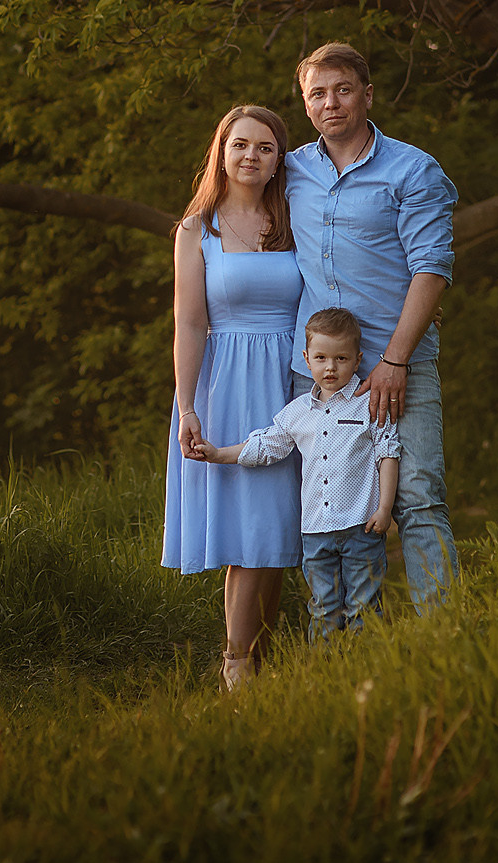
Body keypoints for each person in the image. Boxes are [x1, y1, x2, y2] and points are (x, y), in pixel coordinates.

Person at [286, 42, 460, 609]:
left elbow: (431, 268)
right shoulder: (291, 170)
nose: (330, 103)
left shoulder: (412, 168)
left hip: (396, 363)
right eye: (318, 94)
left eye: (342, 90)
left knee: (415, 496)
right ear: (306, 104)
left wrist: (395, 360)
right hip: (316, 372)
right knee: (325, 503)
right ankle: (342, 638)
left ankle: (444, 638)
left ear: (366, 94)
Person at [160, 104, 304, 690]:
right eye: (240, 144)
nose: (251, 156)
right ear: (220, 152)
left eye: (265, 148)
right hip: (231, 384)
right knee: (250, 533)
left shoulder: (298, 217)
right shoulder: (199, 228)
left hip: (295, 380)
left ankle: (258, 667)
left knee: (279, 532)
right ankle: (237, 670)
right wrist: (188, 406)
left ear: (279, 160)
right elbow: (189, 325)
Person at [191, 307, 400, 639]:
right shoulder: (297, 412)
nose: (330, 367)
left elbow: (387, 453)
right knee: (324, 607)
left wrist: (385, 508)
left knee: (365, 605)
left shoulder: (368, 404)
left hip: (362, 526)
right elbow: (265, 446)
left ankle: (366, 671)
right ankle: (325, 673)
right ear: (306, 358)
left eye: (341, 359)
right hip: (316, 532)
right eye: (321, 358)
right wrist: (218, 454)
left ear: (357, 359)